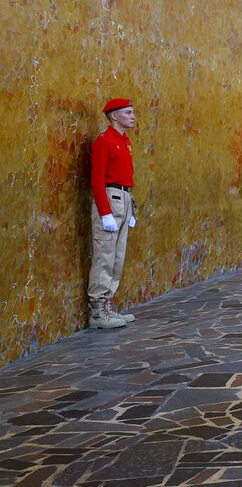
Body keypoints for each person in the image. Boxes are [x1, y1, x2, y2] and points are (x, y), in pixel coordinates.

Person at [88, 98, 139, 330]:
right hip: (110, 199)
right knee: (105, 255)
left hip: (123, 198)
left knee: (117, 256)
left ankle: (107, 304)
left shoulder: (124, 141)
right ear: (114, 116)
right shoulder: (104, 141)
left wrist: (130, 208)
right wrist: (104, 212)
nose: (132, 116)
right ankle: (97, 310)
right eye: (128, 112)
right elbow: (97, 180)